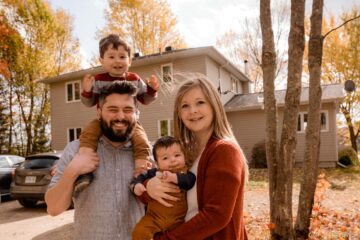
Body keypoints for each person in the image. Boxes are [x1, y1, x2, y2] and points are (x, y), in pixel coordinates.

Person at [146, 75, 248, 239]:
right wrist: (149, 185)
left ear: (214, 105)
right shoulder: (183, 153)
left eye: (200, 102)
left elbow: (216, 216)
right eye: (185, 106)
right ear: (179, 113)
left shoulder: (224, 151)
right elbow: (156, 178)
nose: (193, 110)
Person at [45, 81, 145, 240]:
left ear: (137, 113)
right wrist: (72, 170)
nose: (120, 116)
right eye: (112, 110)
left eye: (128, 110)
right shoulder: (75, 150)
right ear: (98, 112)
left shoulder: (149, 156)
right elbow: (54, 208)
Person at [76, 33, 159, 194]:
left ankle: (140, 174)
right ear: (101, 60)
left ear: (129, 60)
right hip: (103, 121)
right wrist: (87, 91)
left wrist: (152, 89)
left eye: (122, 56)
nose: (117, 61)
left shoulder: (134, 79)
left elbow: (145, 99)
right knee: (88, 135)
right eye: (111, 57)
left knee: (142, 142)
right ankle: (84, 171)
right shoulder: (98, 80)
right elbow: (90, 102)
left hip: (131, 123)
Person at [130, 136, 196, 240]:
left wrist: (174, 177)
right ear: (157, 164)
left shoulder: (185, 173)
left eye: (177, 155)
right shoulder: (154, 172)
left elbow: (190, 181)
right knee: (139, 232)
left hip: (178, 221)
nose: (173, 160)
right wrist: (136, 186)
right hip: (154, 218)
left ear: (184, 156)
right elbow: (140, 177)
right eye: (165, 158)